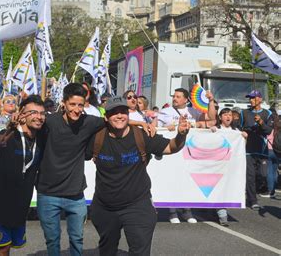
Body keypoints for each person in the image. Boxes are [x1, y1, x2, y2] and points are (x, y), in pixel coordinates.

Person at [87, 96, 191, 256]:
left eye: (123, 112)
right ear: (106, 117)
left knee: (140, 251)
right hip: (105, 207)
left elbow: (171, 147)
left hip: (137, 205)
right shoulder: (97, 138)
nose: (119, 116)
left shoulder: (142, 136)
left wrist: (181, 135)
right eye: (114, 113)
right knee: (107, 250)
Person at [37, 83, 105, 256]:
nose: (76, 109)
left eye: (80, 105)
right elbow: (28, 123)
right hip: (48, 193)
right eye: (72, 104)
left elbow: (113, 119)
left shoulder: (89, 122)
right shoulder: (50, 121)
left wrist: (142, 121)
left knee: (77, 240)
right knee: (52, 241)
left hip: (75, 194)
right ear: (64, 103)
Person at [0, 95, 46, 256]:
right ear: (22, 114)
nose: (39, 117)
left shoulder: (42, 138)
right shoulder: (8, 134)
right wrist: (9, 129)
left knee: (9, 247)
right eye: (33, 112)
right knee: (2, 248)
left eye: (42, 113)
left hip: (20, 204)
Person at [157, 87, 216, 223]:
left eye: (178, 97)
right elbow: (155, 128)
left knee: (187, 180)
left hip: (188, 154)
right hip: (172, 152)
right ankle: (172, 212)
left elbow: (212, 120)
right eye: (174, 96)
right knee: (172, 180)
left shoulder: (193, 111)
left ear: (186, 99)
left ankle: (187, 211)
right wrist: (167, 128)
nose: (175, 99)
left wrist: (211, 101)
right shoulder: (165, 112)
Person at [210, 108, 248, 226]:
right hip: (217, 165)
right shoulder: (217, 129)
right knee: (217, 188)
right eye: (225, 115)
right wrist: (211, 132)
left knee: (226, 188)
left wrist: (244, 138)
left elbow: (241, 148)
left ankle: (219, 211)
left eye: (230, 115)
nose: (228, 117)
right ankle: (222, 214)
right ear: (220, 117)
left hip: (230, 166)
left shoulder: (236, 131)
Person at [240, 90, 274, 210]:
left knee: (263, 174)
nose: (251, 100)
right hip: (248, 149)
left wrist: (260, 122)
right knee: (250, 176)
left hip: (262, 149)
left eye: (253, 98)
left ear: (260, 99)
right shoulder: (244, 113)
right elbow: (238, 127)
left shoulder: (267, 113)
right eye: (250, 98)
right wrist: (242, 132)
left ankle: (260, 190)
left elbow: (269, 131)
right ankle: (252, 200)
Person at [261, 107, 279, 199]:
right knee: (275, 170)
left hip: (270, 149)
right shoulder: (279, 125)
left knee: (270, 171)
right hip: (279, 151)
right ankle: (275, 187)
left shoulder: (270, 125)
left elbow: (266, 135)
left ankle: (271, 191)